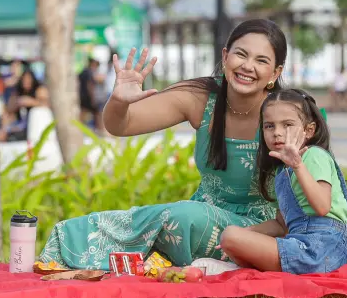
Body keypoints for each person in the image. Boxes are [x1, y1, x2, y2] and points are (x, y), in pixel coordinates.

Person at [38, 19, 288, 270]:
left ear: (275, 73)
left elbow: (297, 208)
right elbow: (121, 126)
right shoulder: (201, 98)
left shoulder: (287, 114)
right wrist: (119, 101)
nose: (247, 66)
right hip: (193, 224)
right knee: (97, 227)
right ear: (225, 56)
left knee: (183, 217)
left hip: (259, 231)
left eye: (261, 60)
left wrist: (240, 236)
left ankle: (197, 260)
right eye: (241, 54)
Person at [216, 89, 347, 274]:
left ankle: (237, 267)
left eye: (287, 125)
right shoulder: (282, 171)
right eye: (269, 126)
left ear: (309, 130)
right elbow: (281, 225)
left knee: (230, 236)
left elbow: (322, 207)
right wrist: (247, 233)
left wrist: (298, 166)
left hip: (322, 249)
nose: (277, 133)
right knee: (232, 236)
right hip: (297, 245)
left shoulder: (314, 156)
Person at [0, 68, 49, 141]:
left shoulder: (39, 90)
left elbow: (47, 104)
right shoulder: (18, 91)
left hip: (36, 125)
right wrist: (16, 102)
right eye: (24, 80)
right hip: (20, 125)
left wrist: (31, 102)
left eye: (28, 79)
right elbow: (8, 110)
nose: (26, 82)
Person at [78, 57, 105, 131]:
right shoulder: (89, 72)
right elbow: (90, 85)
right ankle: (101, 129)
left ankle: (79, 128)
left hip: (82, 96)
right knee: (97, 113)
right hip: (88, 97)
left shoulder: (83, 71)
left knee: (83, 113)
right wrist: (93, 98)